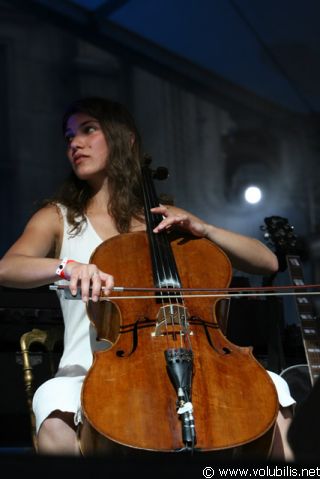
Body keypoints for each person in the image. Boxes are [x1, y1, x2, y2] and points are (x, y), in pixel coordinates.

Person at [0, 97, 295, 459]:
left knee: (274, 390)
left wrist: (206, 229)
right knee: (53, 409)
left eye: (88, 129)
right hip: (92, 370)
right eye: (69, 137)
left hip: (190, 361)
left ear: (124, 138)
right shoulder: (60, 217)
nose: (75, 143)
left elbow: (266, 262)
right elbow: (8, 267)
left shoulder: (165, 220)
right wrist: (67, 267)